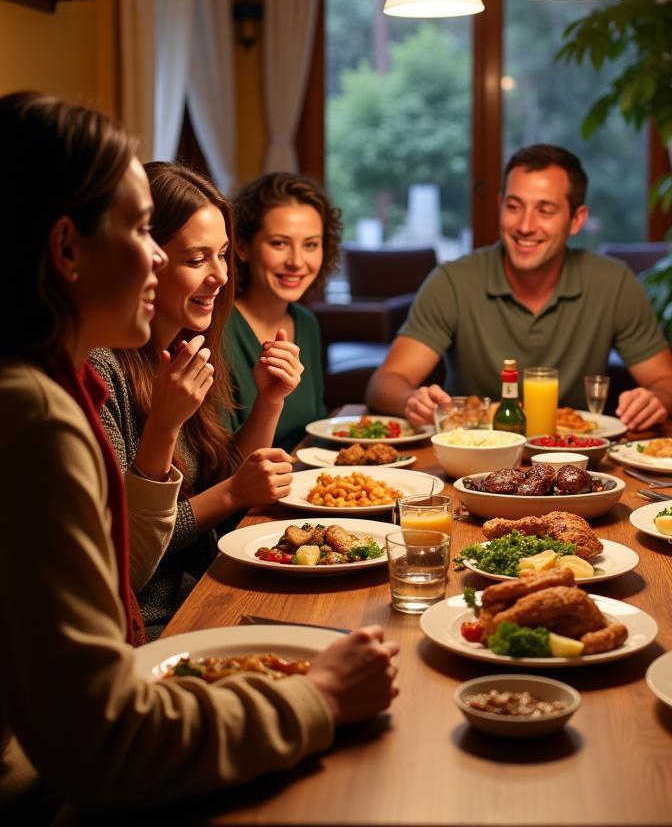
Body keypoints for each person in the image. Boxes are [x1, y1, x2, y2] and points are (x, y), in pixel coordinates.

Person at [0, 92, 398, 815]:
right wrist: (318, 697)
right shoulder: (36, 414)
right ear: (65, 249)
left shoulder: (67, 380)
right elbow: (103, 740)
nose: (159, 259)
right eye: (143, 229)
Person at [90, 163, 304, 637]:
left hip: (202, 595)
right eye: (196, 259)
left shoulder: (190, 344)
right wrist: (227, 488)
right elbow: (128, 568)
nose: (221, 277)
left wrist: (270, 402)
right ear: (144, 257)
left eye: (223, 255)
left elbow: (221, 487)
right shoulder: (100, 368)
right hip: (150, 626)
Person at [366, 144, 672, 431]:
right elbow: (385, 383)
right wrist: (411, 399)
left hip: (572, 457)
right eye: (514, 206)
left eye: (545, 211)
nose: (525, 226)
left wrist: (655, 400)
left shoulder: (613, 282)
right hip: (475, 456)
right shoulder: (453, 281)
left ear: (576, 220)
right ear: (499, 204)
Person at [226, 172, 342, 451]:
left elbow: (315, 429)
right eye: (279, 243)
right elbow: (221, 468)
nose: (297, 261)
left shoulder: (306, 323)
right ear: (242, 246)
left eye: (311, 245)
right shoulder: (218, 328)